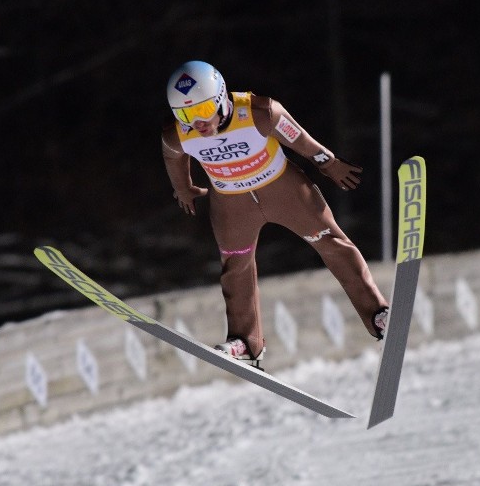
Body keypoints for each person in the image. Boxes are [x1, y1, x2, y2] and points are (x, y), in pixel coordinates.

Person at [161, 60, 389, 366]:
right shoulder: (179, 134)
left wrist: (328, 162)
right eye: (186, 114)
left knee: (331, 242)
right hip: (232, 203)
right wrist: (184, 188)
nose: (197, 123)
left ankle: (377, 313)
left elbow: (300, 140)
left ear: (219, 99)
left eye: (202, 111)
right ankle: (244, 341)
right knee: (236, 266)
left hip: (283, 190)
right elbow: (172, 155)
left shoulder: (259, 113)